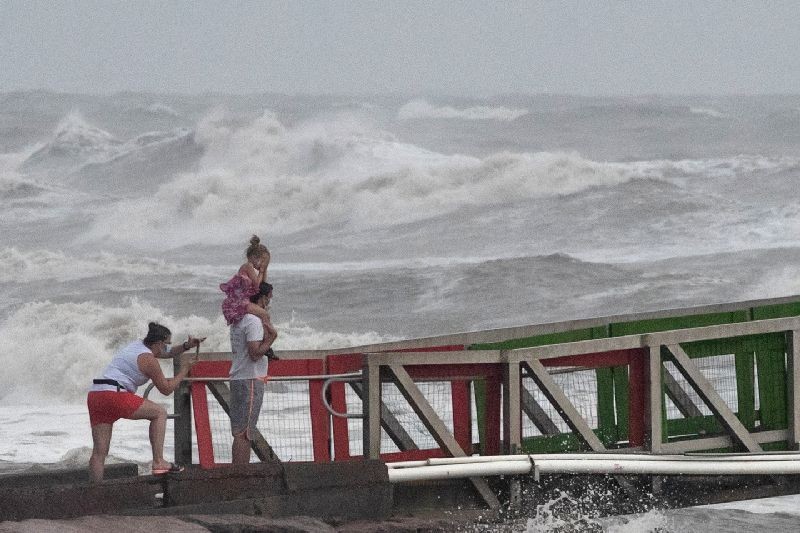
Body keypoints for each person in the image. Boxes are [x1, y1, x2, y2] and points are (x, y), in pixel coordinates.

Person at [87, 322, 205, 481]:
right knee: (159, 413)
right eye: (166, 344)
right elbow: (166, 389)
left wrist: (186, 346)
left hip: (96, 395)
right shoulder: (149, 360)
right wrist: (184, 369)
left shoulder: (137, 345)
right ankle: (159, 461)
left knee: (99, 453)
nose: (167, 348)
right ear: (158, 343)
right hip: (114, 394)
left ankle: (95, 494)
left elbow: (168, 353)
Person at [229, 281, 278, 464]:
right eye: (268, 299)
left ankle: (238, 472)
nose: (269, 303)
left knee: (239, 431)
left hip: (239, 377)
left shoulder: (238, 319)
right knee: (245, 433)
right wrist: (272, 339)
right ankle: (241, 473)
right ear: (262, 298)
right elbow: (255, 353)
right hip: (250, 378)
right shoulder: (253, 321)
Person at [220, 235, 277, 342]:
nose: (262, 264)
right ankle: (267, 340)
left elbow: (263, 283)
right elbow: (257, 285)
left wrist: (265, 269)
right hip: (240, 303)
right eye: (262, 261)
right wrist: (261, 271)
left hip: (245, 301)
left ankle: (264, 338)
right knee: (264, 314)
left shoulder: (251, 268)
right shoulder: (247, 266)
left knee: (264, 314)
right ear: (254, 257)